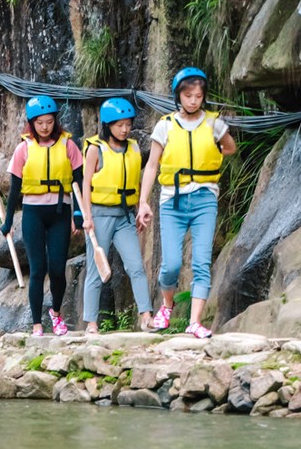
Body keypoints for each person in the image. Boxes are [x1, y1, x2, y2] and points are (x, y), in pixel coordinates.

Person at [136, 67, 236, 339]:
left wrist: (213, 153)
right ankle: (167, 304)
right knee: (170, 265)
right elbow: (152, 165)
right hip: (173, 199)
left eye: (198, 96)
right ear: (178, 95)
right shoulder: (165, 125)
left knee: (201, 262)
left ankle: (194, 321)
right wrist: (144, 202)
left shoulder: (214, 123)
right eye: (188, 95)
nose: (193, 100)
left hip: (205, 198)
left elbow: (230, 147)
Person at [0, 95, 85, 337]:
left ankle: (55, 314)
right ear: (31, 123)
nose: (44, 127)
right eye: (39, 123)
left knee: (57, 269)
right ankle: (36, 324)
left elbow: (79, 181)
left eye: (48, 122)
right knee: (38, 269)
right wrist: (7, 222)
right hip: (33, 212)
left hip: (59, 210)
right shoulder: (23, 148)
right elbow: (15, 188)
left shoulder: (68, 145)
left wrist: (78, 212)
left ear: (55, 121)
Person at [79, 97, 152, 334]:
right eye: (119, 125)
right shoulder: (95, 149)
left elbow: (136, 182)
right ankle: (91, 323)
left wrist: (140, 210)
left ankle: (146, 316)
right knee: (95, 269)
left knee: (136, 266)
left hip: (125, 216)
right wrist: (87, 217)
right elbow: (85, 185)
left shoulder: (133, 147)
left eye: (128, 124)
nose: (125, 129)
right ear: (108, 125)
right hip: (99, 215)